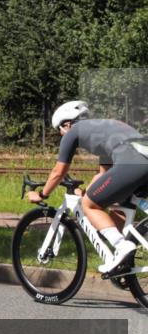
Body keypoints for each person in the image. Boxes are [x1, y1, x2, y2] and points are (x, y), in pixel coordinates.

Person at [26, 100, 148, 274]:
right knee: (119, 205)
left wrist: (42, 194)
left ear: (67, 123)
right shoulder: (106, 128)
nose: (62, 136)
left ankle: (121, 247)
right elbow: (103, 175)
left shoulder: (73, 131)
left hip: (131, 163)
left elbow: (59, 171)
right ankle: (122, 263)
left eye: (60, 131)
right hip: (141, 159)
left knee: (89, 205)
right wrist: (86, 192)